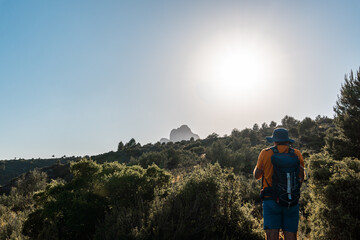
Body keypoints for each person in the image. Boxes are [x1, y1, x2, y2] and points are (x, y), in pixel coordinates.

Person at [253, 128, 304, 240]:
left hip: (270, 200)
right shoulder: (296, 154)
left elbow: (257, 176)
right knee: (291, 236)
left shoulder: (265, 153)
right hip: (291, 200)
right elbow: (301, 177)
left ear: (274, 141)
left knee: (271, 236)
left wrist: (259, 167)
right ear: (287, 141)